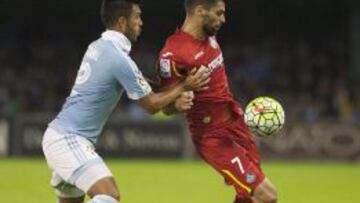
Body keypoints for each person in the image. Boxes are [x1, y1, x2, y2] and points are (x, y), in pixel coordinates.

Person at [41, 0, 210, 203]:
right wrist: (183, 87)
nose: (141, 22)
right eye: (137, 16)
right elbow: (151, 105)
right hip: (68, 139)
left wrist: (174, 92)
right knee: (109, 195)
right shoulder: (118, 58)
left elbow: (139, 81)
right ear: (122, 22)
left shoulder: (100, 46)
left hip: (61, 136)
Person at [156, 0, 278, 202]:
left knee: (249, 197)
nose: (223, 19)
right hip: (212, 135)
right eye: (219, 13)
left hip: (236, 122)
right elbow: (164, 104)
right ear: (200, 11)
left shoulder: (209, 36)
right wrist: (176, 104)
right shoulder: (173, 54)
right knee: (268, 196)